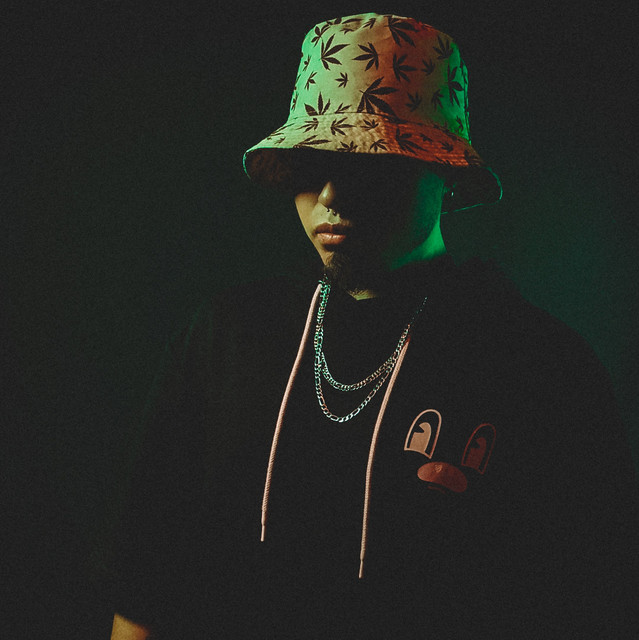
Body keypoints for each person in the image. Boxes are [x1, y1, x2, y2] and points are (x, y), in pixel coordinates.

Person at [110, 13, 638, 639]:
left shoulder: (541, 369)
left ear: (444, 173)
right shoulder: (224, 336)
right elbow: (145, 579)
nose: (332, 194)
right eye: (310, 163)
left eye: (369, 161)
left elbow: (589, 601)